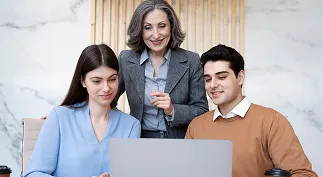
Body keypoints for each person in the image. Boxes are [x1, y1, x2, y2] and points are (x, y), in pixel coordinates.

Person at [185, 44, 318, 177]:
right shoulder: (196, 126)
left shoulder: (271, 121)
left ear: (240, 77)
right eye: (207, 79)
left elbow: (303, 174)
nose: (213, 85)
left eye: (222, 77)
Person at [24, 44, 141, 177]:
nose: (106, 88)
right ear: (83, 81)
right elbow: (34, 173)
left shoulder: (131, 126)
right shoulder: (60, 117)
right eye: (97, 81)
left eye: (112, 79)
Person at [116, 0, 209, 139]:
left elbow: (202, 111)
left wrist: (173, 110)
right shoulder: (126, 59)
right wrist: (123, 123)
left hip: (179, 141)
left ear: (171, 26)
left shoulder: (191, 60)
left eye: (162, 26)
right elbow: (108, 98)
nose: (156, 35)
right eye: (147, 27)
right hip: (138, 139)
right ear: (139, 30)